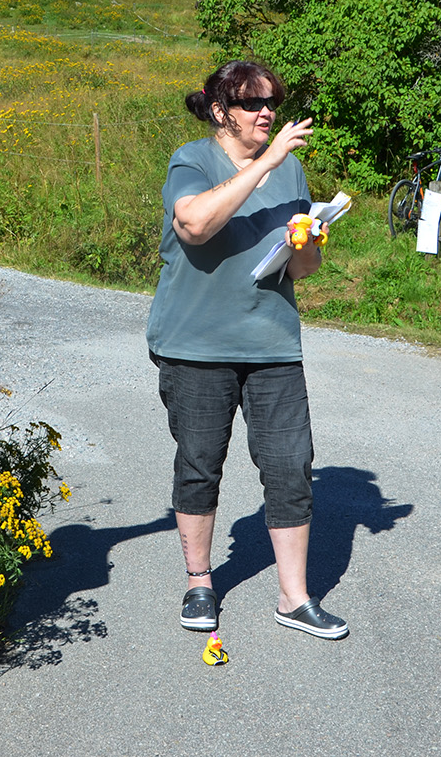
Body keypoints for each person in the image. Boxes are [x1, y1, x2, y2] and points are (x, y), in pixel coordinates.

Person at [144, 60, 349, 643]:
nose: (267, 113)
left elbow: (303, 270)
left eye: (272, 103)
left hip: (273, 342)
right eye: (254, 103)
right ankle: (200, 582)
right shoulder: (193, 160)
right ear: (220, 112)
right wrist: (266, 164)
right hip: (195, 345)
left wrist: (306, 241)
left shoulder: (291, 172)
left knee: (290, 466)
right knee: (200, 464)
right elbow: (194, 224)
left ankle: (295, 597)